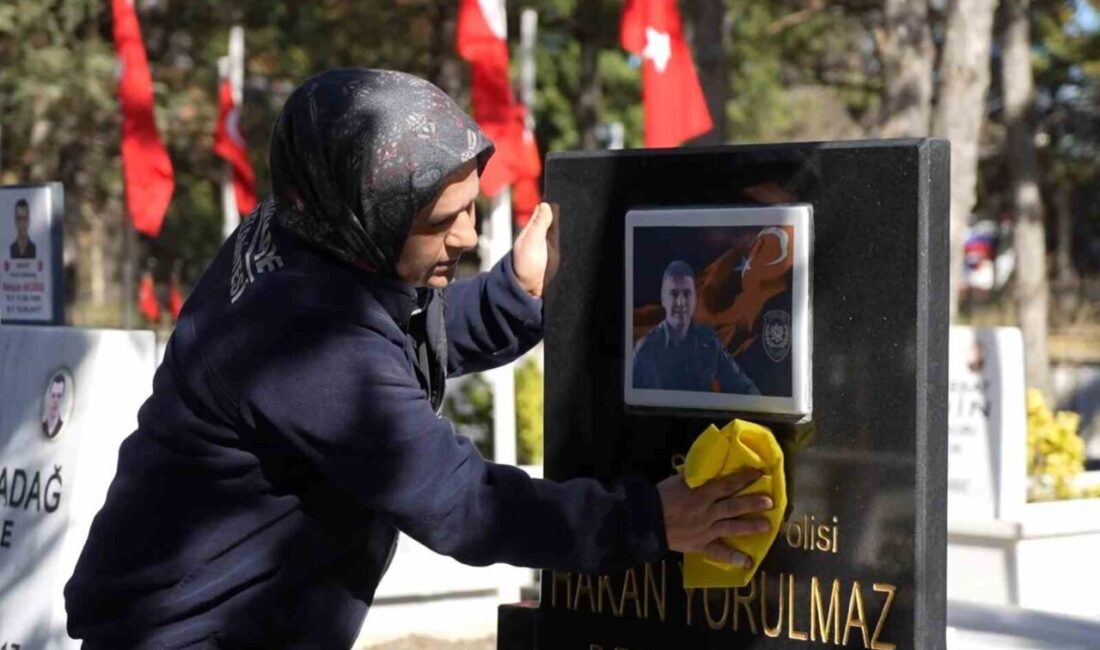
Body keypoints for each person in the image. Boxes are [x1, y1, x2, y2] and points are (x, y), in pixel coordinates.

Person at [64, 69, 773, 648]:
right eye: (440, 220)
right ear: (367, 214)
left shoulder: (308, 228)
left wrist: (514, 294)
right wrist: (652, 519)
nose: (467, 235)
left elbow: (391, 342)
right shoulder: (304, 336)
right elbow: (461, 503)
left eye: (470, 205)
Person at [633, 260, 759, 394]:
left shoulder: (709, 342)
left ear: (694, 299)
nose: (681, 302)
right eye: (674, 294)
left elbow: (743, 386)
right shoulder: (645, 349)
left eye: (687, 294)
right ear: (663, 299)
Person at [42, 373, 66, 438]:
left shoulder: (63, 428)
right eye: (53, 395)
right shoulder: (42, 427)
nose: (55, 401)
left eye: (59, 396)